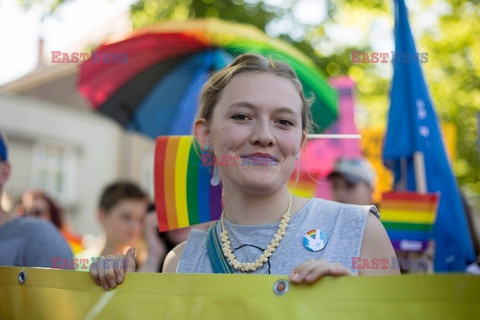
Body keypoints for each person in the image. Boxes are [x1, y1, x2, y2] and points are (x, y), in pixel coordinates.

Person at [90, 53, 399, 290]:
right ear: (205, 134)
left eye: (284, 121)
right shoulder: (181, 262)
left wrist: (356, 306)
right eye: (242, 116)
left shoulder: (360, 231)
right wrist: (115, 296)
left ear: (300, 141)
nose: (264, 135)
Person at [0, 131, 73, 267]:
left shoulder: (39, 237)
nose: (29, 216)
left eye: (38, 212)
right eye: (24, 211)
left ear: (4, 172)